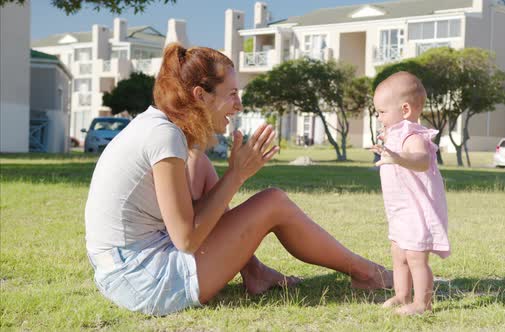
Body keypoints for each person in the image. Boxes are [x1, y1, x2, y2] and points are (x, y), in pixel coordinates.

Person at [85, 43, 392, 316]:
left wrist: (231, 176)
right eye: (232, 94)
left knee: (201, 164)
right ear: (200, 95)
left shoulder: (161, 127)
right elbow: (186, 238)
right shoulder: (164, 136)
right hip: (140, 279)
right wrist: (237, 174)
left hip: (127, 266)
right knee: (273, 202)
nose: (239, 105)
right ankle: (368, 274)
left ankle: (254, 272)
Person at [371, 71, 450, 315]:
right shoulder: (396, 132)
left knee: (416, 257)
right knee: (399, 254)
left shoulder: (413, 135)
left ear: (405, 110)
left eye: (382, 112)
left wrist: (397, 156)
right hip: (400, 209)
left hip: (417, 209)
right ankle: (401, 294)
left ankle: (421, 303)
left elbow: (422, 160)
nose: (379, 117)